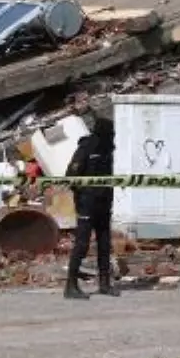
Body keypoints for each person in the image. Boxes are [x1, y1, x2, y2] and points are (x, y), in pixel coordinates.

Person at [64, 116, 118, 300]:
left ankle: (105, 284)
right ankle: (70, 286)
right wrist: (85, 193)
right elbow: (71, 176)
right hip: (87, 204)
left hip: (104, 203)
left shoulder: (109, 149)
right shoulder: (86, 148)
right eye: (109, 134)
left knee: (104, 244)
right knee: (82, 244)